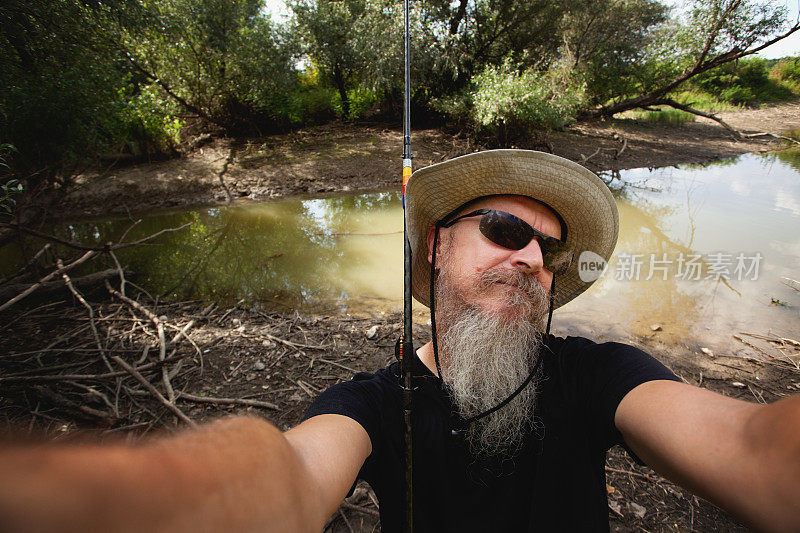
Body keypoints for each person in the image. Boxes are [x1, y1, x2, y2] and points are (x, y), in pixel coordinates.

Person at [0, 150, 798, 532]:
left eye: (547, 250)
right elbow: (288, 472)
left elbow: (754, 446)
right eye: (504, 227)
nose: (529, 257)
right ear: (435, 249)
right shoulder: (372, 405)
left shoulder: (599, 375)